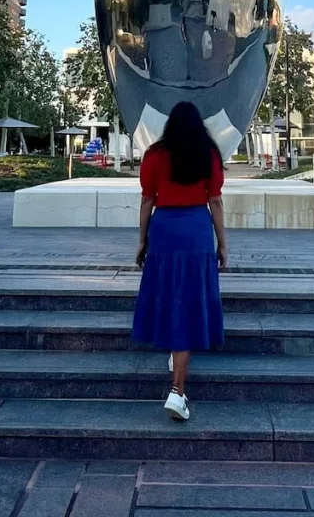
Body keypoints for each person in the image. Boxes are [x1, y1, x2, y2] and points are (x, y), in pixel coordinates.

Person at [132, 101, 227, 422]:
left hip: (164, 230)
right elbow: (215, 201)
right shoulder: (208, 154)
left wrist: (142, 240)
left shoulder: (154, 155)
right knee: (188, 302)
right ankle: (177, 390)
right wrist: (223, 243)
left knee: (171, 296)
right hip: (196, 231)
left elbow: (147, 200)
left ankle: (177, 359)